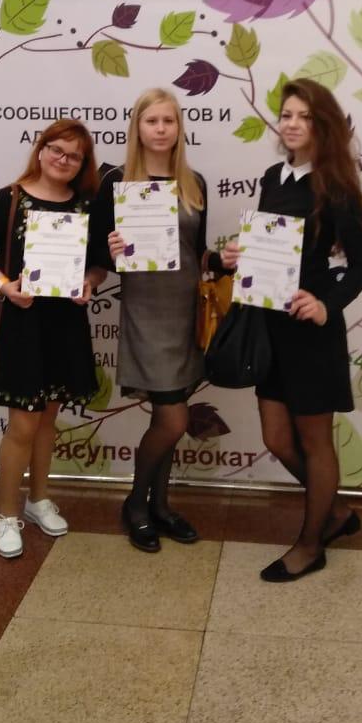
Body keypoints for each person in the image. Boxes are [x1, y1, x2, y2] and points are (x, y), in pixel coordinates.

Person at [222, 78, 362, 582]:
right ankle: (336, 511)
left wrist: (327, 305)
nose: (291, 124)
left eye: (303, 117)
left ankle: (311, 545)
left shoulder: (336, 187)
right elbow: (272, 248)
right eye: (286, 114)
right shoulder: (273, 177)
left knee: (314, 442)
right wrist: (238, 256)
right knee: (276, 437)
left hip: (311, 333)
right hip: (270, 327)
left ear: (321, 125)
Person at [89, 88, 223, 553]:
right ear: (138, 128)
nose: (161, 129)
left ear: (179, 127)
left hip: (186, 312)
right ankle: (136, 504)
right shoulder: (115, 181)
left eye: (169, 121)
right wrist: (110, 249)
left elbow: (197, 252)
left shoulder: (195, 182)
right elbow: (96, 252)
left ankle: (160, 506)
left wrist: (222, 259)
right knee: (173, 418)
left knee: (173, 414)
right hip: (146, 310)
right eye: (152, 121)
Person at [0, 119, 100, 559]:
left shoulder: (85, 204)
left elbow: (98, 263)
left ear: (82, 164)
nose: (64, 160)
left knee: (47, 421)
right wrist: (6, 286)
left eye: (74, 156)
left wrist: (90, 282)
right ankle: (7, 514)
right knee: (23, 424)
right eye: (57, 150)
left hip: (65, 325)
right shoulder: (9, 198)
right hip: (23, 325)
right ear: (41, 150)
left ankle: (38, 499)